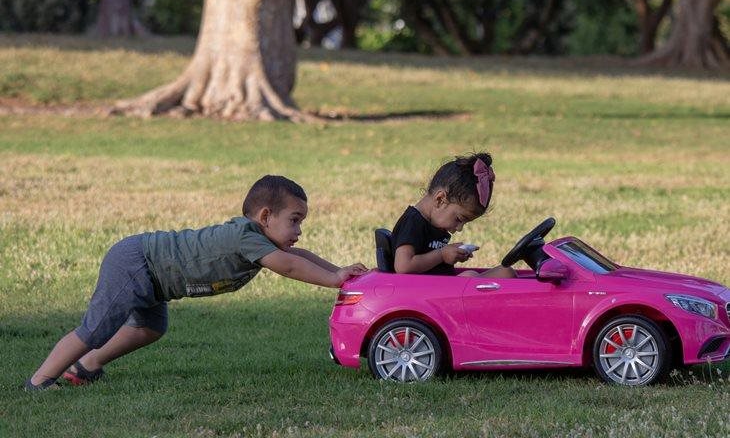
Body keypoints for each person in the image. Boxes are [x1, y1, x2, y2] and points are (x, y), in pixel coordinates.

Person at [25, 175, 367, 391]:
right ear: (265, 217)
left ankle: (85, 366)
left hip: (156, 279)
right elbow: (290, 267)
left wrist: (340, 274)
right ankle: (40, 380)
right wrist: (333, 279)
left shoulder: (261, 240)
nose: (298, 230)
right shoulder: (245, 237)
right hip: (138, 262)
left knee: (149, 328)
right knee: (97, 328)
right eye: (294, 220)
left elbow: (300, 255)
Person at [391, 152, 516, 278]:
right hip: (425, 292)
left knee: (506, 272)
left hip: (441, 288)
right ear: (440, 199)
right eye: (459, 219)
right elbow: (403, 266)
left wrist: (451, 255)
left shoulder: (435, 223)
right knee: (470, 276)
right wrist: (442, 255)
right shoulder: (413, 222)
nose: (459, 228)